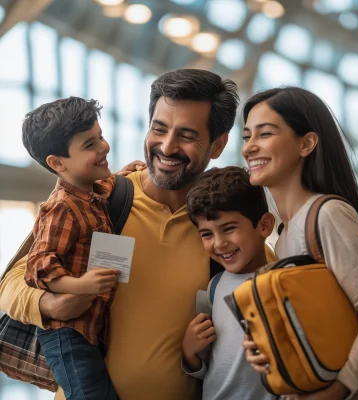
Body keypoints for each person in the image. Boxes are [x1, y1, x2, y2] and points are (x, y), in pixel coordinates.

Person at [0, 69, 239, 400]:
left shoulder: (221, 231)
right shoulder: (105, 202)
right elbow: (12, 286)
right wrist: (52, 304)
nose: (167, 146)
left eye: (186, 135)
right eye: (159, 128)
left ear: (218, 144)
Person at [240, 87, 358, 400]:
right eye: (246, 136)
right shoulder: (283, 236)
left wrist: (336, 392)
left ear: (307, 143)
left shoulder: (328, 214)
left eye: (264, 134)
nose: (249, 148)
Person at [22, 97, 123, 400]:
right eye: (90, 145)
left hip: (87, 329)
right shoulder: (62, 207)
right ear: (57, 163)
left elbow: (109, 185)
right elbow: (38, 263)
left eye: (101, 136)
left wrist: (128, 173)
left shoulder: (92, 191)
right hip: (66, 334)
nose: (104, 147)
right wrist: (79, 286)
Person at [181, 166, 276, 400]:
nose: (219, 243)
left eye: (229, 229)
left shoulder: (282, 284)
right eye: (207, 234)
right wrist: (190, 352)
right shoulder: (214, 287)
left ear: (264, 225)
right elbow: (212, 369)